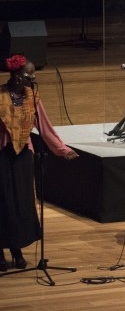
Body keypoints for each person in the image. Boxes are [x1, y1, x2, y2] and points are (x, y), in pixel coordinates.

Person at [0, 54, 79, 271]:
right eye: (29, 74)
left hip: (23, 155)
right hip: (2, 156)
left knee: (23, 204)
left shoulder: (32, 96)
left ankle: (17, 250)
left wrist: (61, 149)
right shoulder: (1, 96)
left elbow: (44, 126)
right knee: (3, 203)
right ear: (16, 75)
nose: (33, 78)